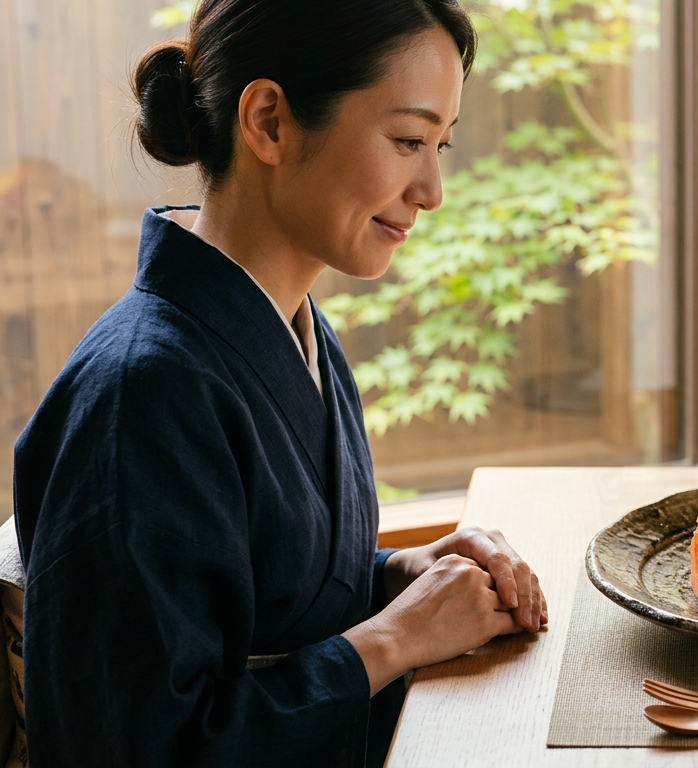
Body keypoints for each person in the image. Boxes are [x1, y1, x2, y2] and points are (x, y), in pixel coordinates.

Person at [10, 1, 547, 765]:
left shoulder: (296, 329)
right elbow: (141, 746)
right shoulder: (142, 393)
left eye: (441, 145)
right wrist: (394, 639)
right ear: (268, 122)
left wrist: (398, 575)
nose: (432, 190)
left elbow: (270, 594)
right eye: (407, 141)